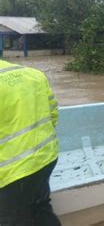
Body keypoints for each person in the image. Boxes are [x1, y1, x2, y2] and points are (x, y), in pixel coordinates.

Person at [0, 60, 61, 225]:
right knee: (40, 207)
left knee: (13, 219)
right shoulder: (33, 74)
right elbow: (53, 113)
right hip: (46, 158)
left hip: (11, 171)